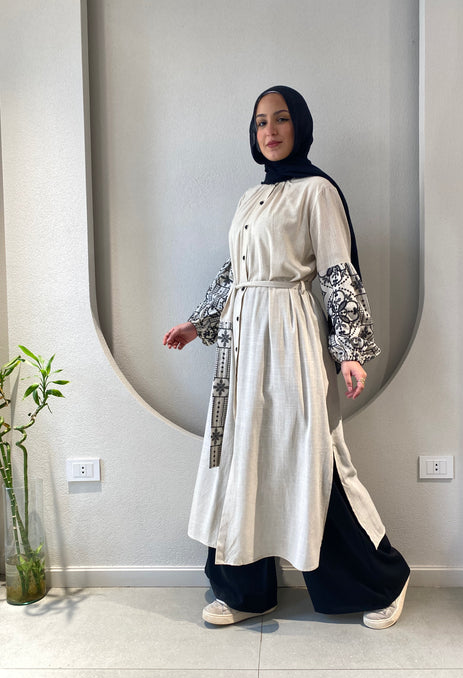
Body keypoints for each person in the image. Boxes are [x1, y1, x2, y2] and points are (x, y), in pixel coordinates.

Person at [163, 86, 410, 629]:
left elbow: (338, 269)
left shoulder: (317, 191)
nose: (269, 131)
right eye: (260, 122)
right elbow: (235, 272)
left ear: (300, 125)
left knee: (313, 459)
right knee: (240, 457)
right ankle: (245, 591)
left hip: (292, 336)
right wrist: (199, 323)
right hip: (242, 342)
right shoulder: (250, 197)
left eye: (280, 119)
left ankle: (382, 580)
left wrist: (349, 352)